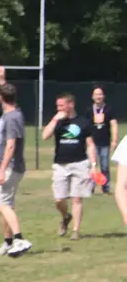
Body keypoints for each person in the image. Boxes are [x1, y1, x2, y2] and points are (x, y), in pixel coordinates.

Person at [44, 93, 100, 240]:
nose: (59, 108)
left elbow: (90, 144)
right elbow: (45, 135)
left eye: (62, 105)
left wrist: (93, 164)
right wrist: (55, 119)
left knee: (77, 198)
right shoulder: (58, 122)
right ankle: (65, 216)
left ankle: (76, 230)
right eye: (58, 106)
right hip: (60, 165)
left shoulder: (83, 122)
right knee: (59, 199)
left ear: (71, 104)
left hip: (80, 164)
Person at [0, 82, 32, 256]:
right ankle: (8, 242)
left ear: (1, 98)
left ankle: (19, 239)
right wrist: (1, 80)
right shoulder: (11, 114)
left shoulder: (12, 117)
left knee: (0, 203)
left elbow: (11, 146)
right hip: (8, 166)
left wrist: (1, 169)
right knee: (7, 205)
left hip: (11, 167)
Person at [89, 87, 117, 195]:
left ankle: (106, 187)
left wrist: (114, 140)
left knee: (105, 166)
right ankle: (90, 187)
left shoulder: (109, 109)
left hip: (105, 142)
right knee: (92, 166)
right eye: (96, 94)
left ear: (103, 96)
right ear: (93, 97)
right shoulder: (89, 110)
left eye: (100, 94)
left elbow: (114, 124)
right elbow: (86, 127)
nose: (98, 97)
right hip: (92, 143)